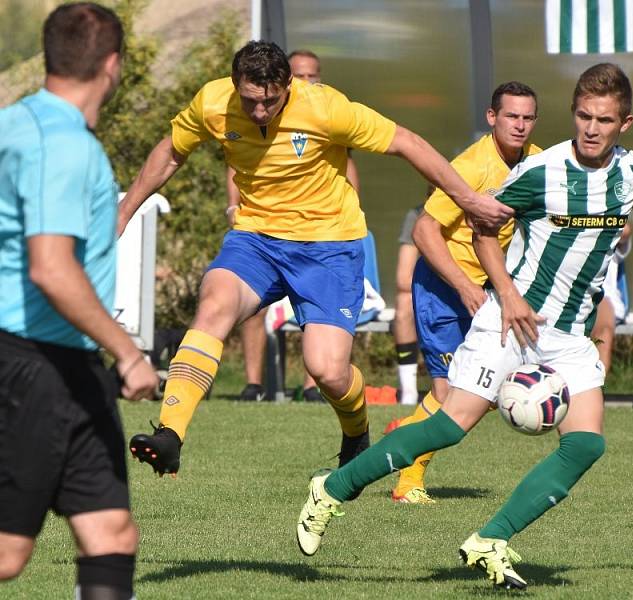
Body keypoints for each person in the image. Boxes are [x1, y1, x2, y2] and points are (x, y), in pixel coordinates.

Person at [295, 63, 633, 590]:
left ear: (624, 123)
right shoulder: (542, 172)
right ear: (573, 113)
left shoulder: (631, 172)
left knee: (586, 445)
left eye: (604, 119)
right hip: (512, 323)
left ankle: (491, 539)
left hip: (569, 338)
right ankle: (331, 489)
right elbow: (484, 227)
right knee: (449, 426)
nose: (591, 128)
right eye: (583, 115)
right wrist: (506, 295)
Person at [118, 40, 512, 477]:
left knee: (326, 370)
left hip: (328, 246)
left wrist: (469, 200)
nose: (261, 112)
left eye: (271, 101)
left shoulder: (326, 109)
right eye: (251, 101)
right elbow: (170, 152)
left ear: (288, 85)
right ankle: (170, 435)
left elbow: (407, 143)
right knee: (214, 305)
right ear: (235, 86)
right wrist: (123, 213)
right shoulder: (213, 103)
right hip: (257, 238)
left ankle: (356, 429)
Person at [0, 4, 159, 597]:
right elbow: (50, 268)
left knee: (111, 532)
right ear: (112, 66)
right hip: (31, 363)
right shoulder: (60, 144)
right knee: (9, 554)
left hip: (73, 366)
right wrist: (129, 352)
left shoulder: (15, 123)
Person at [388, 81, 541, 504]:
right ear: (492, 118)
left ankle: (407, 431)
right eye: (512, 116)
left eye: (528, 117)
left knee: (483, 391)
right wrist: (464, 285)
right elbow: (423, 231)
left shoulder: (538, 163)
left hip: (489, 289)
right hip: (444, 287)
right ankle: (408, 481)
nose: (520, 125)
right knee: (451, 394)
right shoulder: (472, 167)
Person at [231, 49, 359, 403]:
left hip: (318, 239)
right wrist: (233, 208)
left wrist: (349, 219)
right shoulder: (250, 113)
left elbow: (347, 170)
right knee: (239, 299)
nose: (307, 82)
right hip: (261, 230)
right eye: (300, 74)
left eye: (312, 75)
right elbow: (235, 167)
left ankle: (311, 386)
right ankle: (254, 384)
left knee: (317, 323)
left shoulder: (326, 113)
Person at [393, 204, 424, 406]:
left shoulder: (478, 209)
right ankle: (409, 392)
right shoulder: (417, 215)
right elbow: (404, 279)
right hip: (434, 291)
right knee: (404, 303)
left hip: (473, 290)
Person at [592, 222, 632, 372]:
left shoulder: (612, 211)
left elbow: (626, 230)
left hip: (599, 293)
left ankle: (597, 388)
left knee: (603, 332)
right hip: (558, 291)